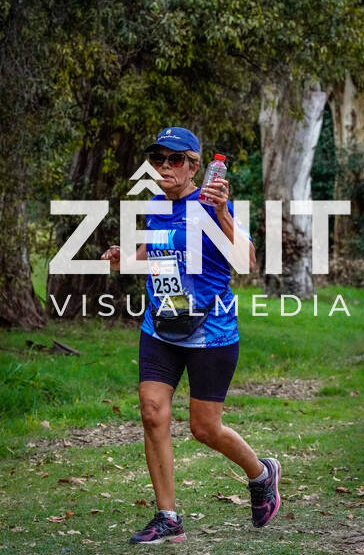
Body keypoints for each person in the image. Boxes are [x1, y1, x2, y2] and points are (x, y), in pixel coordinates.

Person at [101, 127, 281, 545]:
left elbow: (248, 262)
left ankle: (261, 474)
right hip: (162, 325)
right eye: (158, 159)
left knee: (204, 428)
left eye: (175, 159)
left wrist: (222, 215)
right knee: (152, 411)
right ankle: (168, 518)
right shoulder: (155, 205)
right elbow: (151, 254)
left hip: (210, 330)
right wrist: (124, 260)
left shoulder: (214, 204)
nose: (165, 166)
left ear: (194, 166)